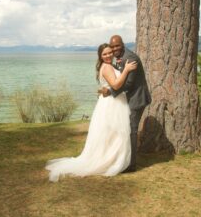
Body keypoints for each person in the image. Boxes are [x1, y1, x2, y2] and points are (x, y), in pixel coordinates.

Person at [45, 43, 137, 182]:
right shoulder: (106, 67)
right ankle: (110, 161)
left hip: (110, 102)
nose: (108, 56)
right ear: (100, 56)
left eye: (109, 53)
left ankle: (112, 159)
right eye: (104, 54)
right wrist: (127, 70)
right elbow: (116, 85)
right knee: (116, 132)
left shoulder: (107, 66)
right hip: (113, 104)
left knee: (111, 134)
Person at [100, 35, 151, 172]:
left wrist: (110, 92)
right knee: (125, 130)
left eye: (117, 45)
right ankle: (123, 158)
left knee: (131, 131)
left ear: (122, 44)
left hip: (136, 99)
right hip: (128, 99)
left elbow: (128, 83)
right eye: (113, 46)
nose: (115, 48)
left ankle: (131, 165)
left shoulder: (131, 58)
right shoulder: (119, 58)